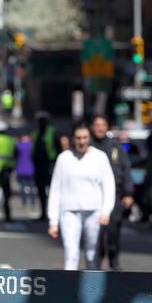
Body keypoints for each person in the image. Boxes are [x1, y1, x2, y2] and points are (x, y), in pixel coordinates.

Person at [47, 124, 115, 270]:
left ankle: (91, 286)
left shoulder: (100, 157)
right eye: (78, 138)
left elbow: (109, 185)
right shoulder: (64, 158)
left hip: (93, 211)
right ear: (73, 139)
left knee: (91, 253)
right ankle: (68, 287)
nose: (81, 141)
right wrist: (53, 221)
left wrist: (106, 211)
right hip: (69, 211)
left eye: (85, 138)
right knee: (71, 254)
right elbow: (55, 189)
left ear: (89, 138)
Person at [90, 115, 133, 270]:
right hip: (94, 196)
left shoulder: (115, 146)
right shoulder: (88, 146)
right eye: (97, 125)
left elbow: (125, 168)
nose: (100, 128)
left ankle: (114, 258)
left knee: (114, 229)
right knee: (96, 232)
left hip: (114, 195)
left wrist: (128, 193)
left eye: (103, 125)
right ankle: (97, 261)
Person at [32, 112, 57, 222]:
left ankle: (52, 212)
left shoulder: (52, 132)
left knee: (52, 190)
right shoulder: (36, 133)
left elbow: (57, 147)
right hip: (38, 165)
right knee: (41, 190)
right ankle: (43, 212)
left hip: (50, 164)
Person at [15, 132, 36, 211]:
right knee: (32, 187)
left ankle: (24, 202)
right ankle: (33, 202)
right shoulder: (31, 145)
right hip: (30, 168)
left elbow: (15, 155)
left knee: (23, 187)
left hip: (21, 168)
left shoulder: (19, 145)